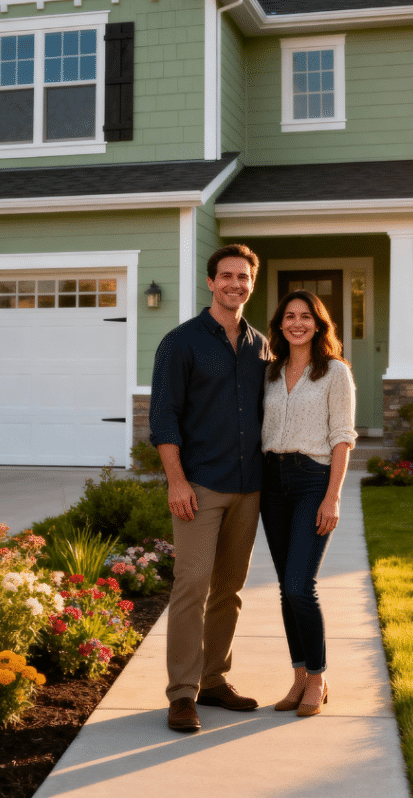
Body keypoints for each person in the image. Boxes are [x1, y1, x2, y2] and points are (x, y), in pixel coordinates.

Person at [149, 243, 270, 732]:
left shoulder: (261, 345)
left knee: (229, 590)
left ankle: (215, 680)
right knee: (191, 585)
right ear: (210, 282)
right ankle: (182, 693)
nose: (234, 284)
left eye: (243, 277)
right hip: (199, 486)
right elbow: (163, 417)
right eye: (226, 276)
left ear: (251, 284)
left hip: (249, 487)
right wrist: (176, 481)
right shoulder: (180, 343)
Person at [260, 289, 356, 716]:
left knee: (300, 585)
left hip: (311, 481)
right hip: (271, 482)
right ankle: (298, 677)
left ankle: (318, 678)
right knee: (285, 588)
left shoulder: (335, 372)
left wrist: (332, 496)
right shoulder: (270, 371)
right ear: (280, 324)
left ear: (319, 324)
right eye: (289, 316)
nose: (297, 323)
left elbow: (343, 437)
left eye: (306, 316)